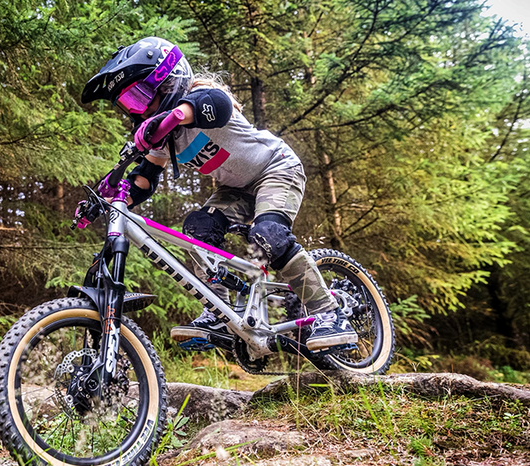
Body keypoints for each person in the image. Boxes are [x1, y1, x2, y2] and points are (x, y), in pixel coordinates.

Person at [80, 36, 357, 353]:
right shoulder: (163, 139)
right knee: (197, 230)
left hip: (277, 169)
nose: (137, 109)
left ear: (168, 81)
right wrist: (111, 199)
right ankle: (217, 314)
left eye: (140, 97)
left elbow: (217, 106)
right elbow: (145, 180)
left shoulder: (201, 99)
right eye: (129, 103)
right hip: (236, 190)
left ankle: (329, 312)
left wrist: (170, 116)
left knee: (267, 234)